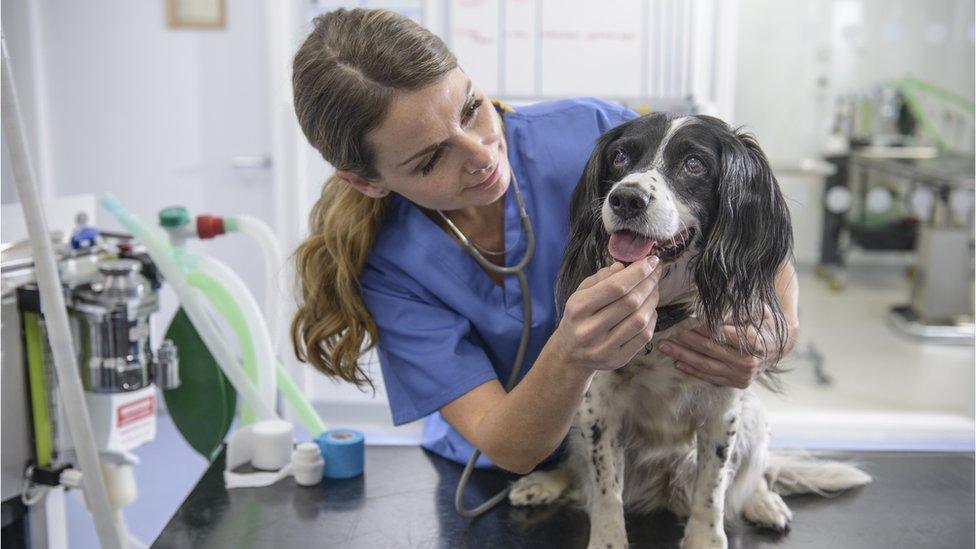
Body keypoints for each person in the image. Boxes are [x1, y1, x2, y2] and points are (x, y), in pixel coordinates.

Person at [290, 8, 799, 474]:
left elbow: (748, 218)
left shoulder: (592, 132)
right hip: (498, 473)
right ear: (367, 182)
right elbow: (508, 445)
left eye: (472, 108)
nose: (482, 154)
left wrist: (777, 331)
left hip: (638, 450)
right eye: (430, 159)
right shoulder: (391, 267)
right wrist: (571, 355)